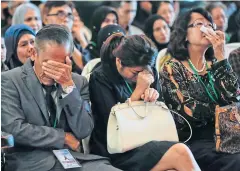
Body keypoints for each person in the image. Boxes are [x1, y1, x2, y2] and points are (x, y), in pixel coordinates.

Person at [1, 24, 122, 171]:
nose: (54, 72)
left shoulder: (77, 82)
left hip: (72, 159)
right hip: (31, 161)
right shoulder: (9, 80)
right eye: (47, 63)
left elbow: (83, 130)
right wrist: (62, 137)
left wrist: (68, 87)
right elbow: (15, 128)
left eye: (61, 64)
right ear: (33, 54)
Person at [89, 34, 201, 171]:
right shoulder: (100, 77)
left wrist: (153, 97)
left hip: (149, 138)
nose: (140, 76)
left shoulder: (148, 71)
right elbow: (111, 124)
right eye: (135, 72)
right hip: (118, 149)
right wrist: (138, 92)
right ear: (119, 61)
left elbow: (159, 109)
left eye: (145, 70)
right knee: (180, 152)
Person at [160, 8, 240, 171]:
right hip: (197, 140)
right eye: (199, 24)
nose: (206, 28)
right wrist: (225, 108)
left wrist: (221, 57)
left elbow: (233, 97)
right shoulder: (172, 68)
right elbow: (192, 113)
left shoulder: (217, 64)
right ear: (184, 34)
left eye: (209, 25)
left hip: (229, 135)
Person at [44, 1, 90, 73]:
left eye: (69, 15)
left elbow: (87, 70)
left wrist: (68, 38)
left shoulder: (77, 47)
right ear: (46, 19)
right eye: (60, 14)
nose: (66, 19)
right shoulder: (38, 44)